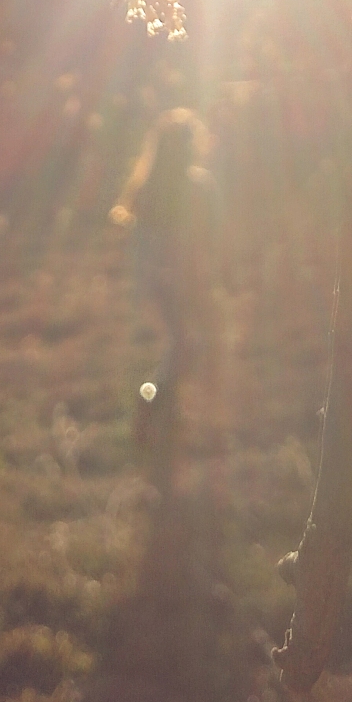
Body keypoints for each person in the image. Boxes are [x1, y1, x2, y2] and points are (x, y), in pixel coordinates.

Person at [111, 109, 221, 449]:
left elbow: (144, 251)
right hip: (180, 280)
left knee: (184, 345)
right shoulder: (197, 185)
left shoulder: (148, 188)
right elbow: (204, 238)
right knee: (188, 345)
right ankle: (152, 403)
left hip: (160, 283)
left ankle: (163, 409)